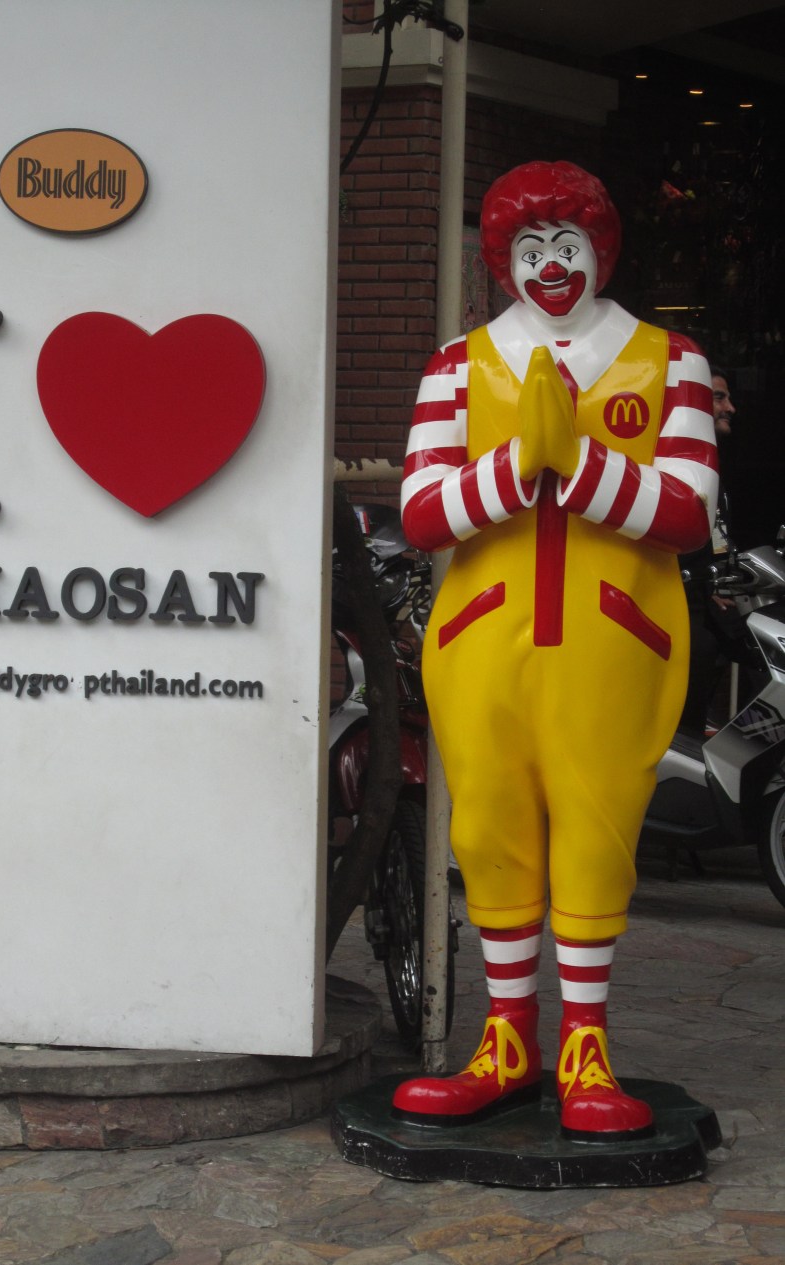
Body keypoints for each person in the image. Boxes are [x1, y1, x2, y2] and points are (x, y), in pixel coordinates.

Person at [394, 161, 718, 1139]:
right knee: (488, 828)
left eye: (565, 245)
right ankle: (506, 1041)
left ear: (600, 251)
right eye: (529, 249)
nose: (549, 267)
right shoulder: (457, 365)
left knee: (595, 829)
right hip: (481, 641)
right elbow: (420, 513)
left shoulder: (670, 360)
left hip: (611, 644)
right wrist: (514, 464)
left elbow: (687, 513)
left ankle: (584, 1048)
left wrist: (574, 462)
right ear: (500, 261)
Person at [678, 369, 736, 737]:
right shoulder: (677, 464)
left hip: (707, 601)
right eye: (719, 397)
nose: (730, 408)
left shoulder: (711, 464)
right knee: (700, 646)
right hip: (676, 607)